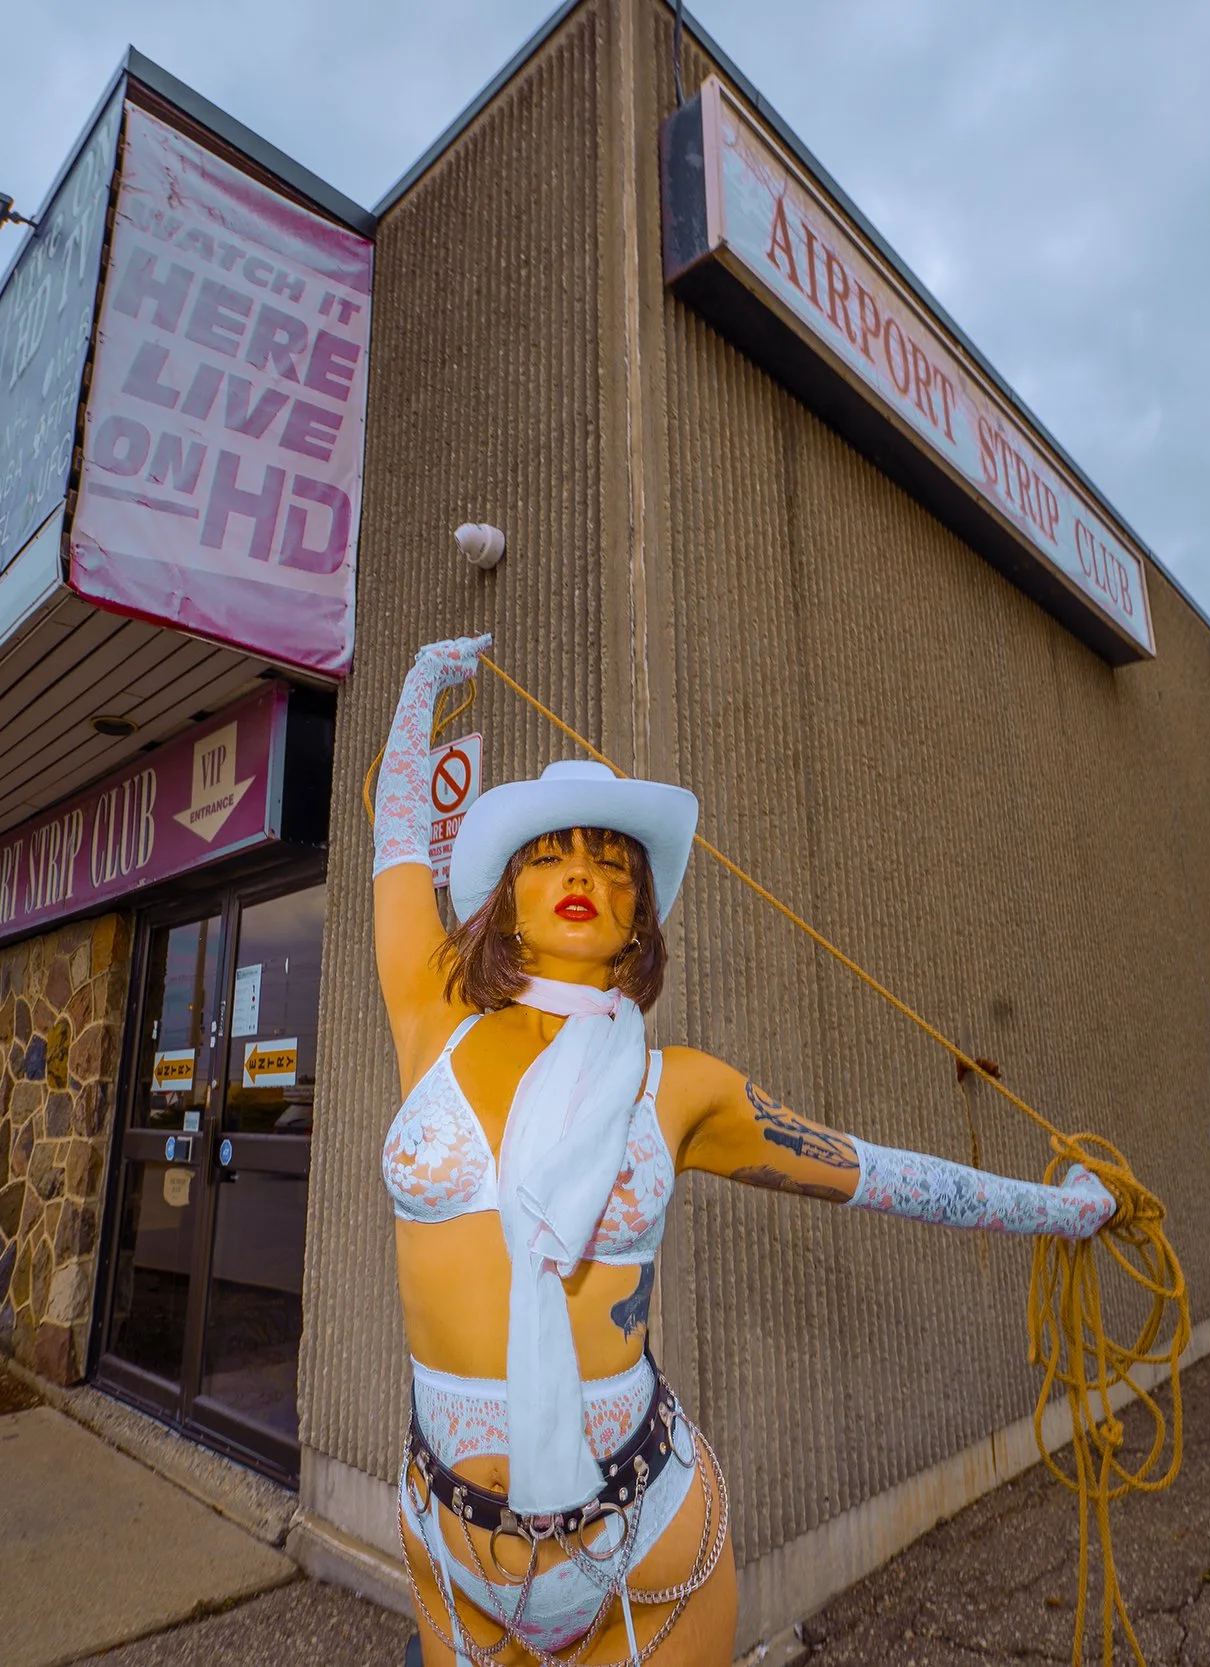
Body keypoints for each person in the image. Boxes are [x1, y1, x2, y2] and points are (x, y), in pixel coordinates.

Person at [374, 635, 1121, 1665]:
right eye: (548, 853)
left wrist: (1064, 1209)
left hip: (643, 1538)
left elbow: (880, 1174)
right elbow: (399, 850)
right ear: (502, 895)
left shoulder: (681, 1084)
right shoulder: (432, 1016)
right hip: (445, 1537)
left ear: (641, 914)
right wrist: (420, 693)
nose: (582, 870)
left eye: (610, 860)